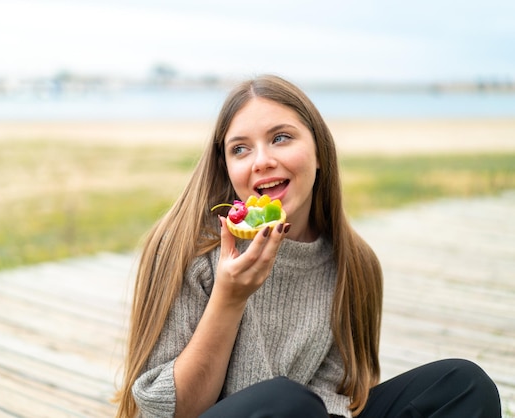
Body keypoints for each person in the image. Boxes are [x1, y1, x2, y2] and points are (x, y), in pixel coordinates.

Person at [114, 74, 501, 417]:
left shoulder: (353, 262)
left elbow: (341, 394)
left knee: (463, 384)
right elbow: (174, 411)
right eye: (240, 148)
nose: (262, 160)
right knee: (286, 401)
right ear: (226, 168)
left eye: (280, 138)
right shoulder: (187, 247)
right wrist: (229, 297)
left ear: (319, 153)